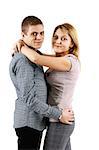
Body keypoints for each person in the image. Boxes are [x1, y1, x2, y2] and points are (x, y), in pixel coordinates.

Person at [9, 16, 74, 150]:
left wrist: (22, 45)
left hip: (38, 122)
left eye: (42, 33)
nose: (39, 37)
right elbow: (29, 98)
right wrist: (58, 114)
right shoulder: (24, 61)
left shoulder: (36, 57)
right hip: (29, 122)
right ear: (23, 34)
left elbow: (38, 57)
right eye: (34, 33)